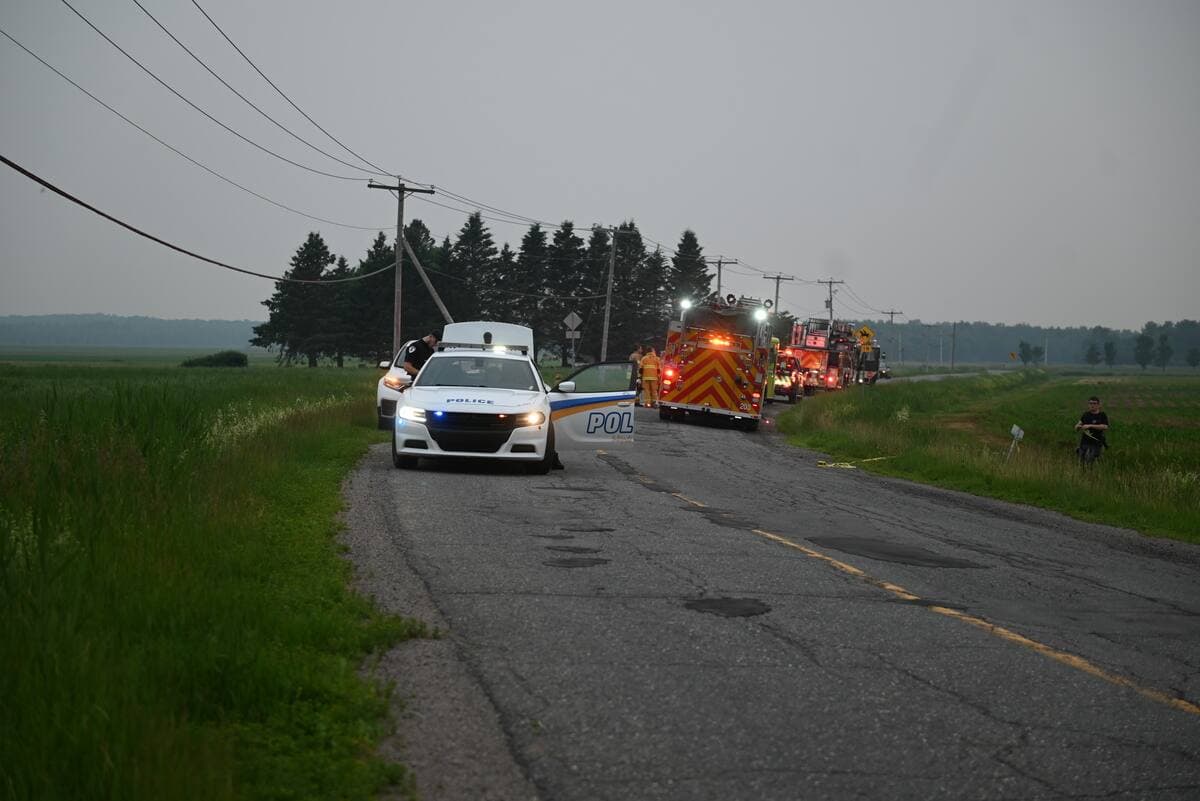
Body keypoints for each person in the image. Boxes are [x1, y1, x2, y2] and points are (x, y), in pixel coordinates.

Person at [1075, 395, 1109, 466]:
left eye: (1094, 403)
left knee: (1090, 461)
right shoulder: (1085, 415)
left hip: (1096, 443)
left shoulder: (1102, 415)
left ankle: (1091, 475)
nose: (1092, 405)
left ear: (1098, 405)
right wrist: (1078, 426)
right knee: (1081, 462)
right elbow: (1077, 425)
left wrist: (1090, 426)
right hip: (1084, 442)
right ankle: (1083, 475)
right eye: (1090, 403)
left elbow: (1105, 427)